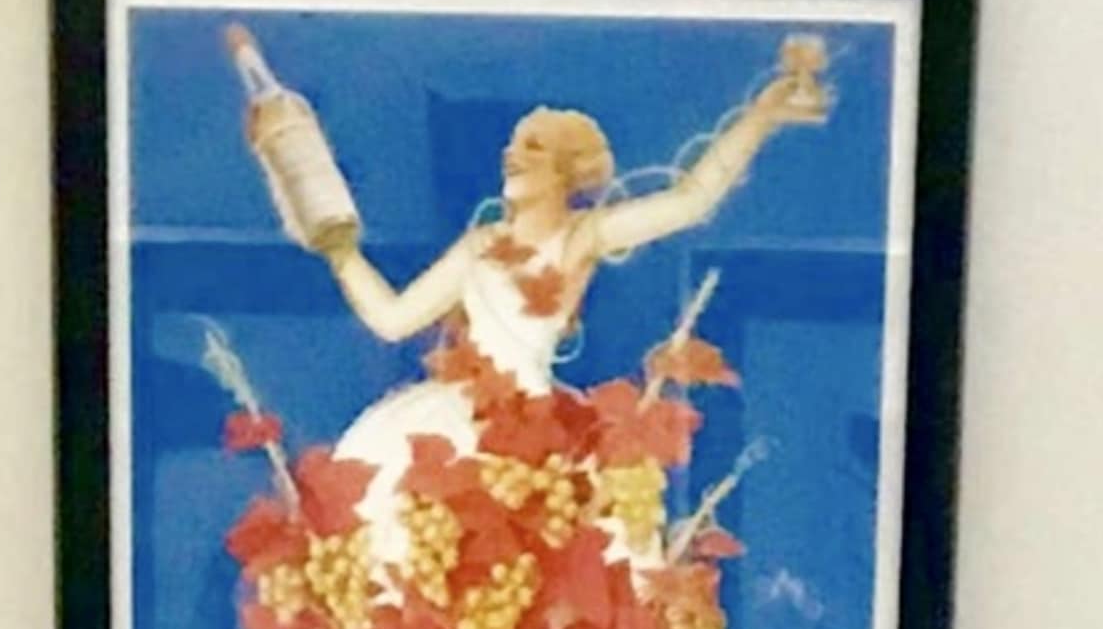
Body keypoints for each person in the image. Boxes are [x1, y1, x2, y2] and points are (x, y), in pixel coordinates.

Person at [232, 31, 832, 575]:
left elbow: (691, 200)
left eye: (534, 147)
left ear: (567, 172)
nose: (513, 155)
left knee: (561, 561)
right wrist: (339, 250)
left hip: (538, 434)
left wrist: (760, 117)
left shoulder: (581, 237)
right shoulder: (481, 245)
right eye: (515, 145)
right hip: (449, 420)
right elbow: (393, 320)